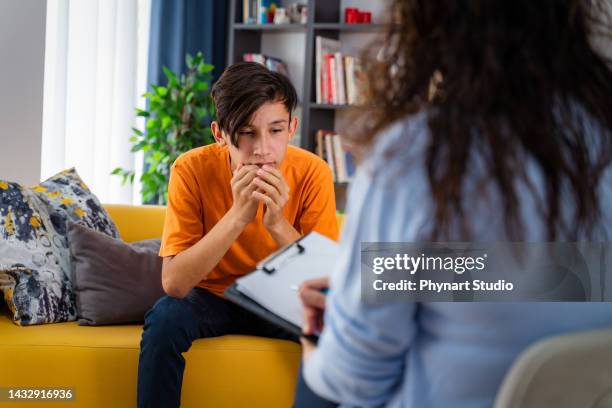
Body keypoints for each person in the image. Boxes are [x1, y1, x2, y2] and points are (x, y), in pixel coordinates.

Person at [296, 0, 612, 407]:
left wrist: (314, 342)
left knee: (315, 387)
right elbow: (534, 281)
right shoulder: (601, 139)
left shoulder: (416, 156)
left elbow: (354, 380)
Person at [136, 61, 339, 408]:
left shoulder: (313, 172)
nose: (262, 149)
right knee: (165, 317)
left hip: (282, 297)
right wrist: (237, 216)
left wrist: (276, 224)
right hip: (214, 297)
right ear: (220, 133)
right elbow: (175, 284)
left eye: (275, 131)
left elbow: (326, 282)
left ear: (292, 127)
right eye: (246, 133)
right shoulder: (190, 169)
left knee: (336, 325)